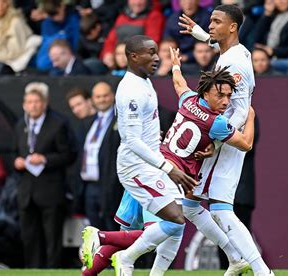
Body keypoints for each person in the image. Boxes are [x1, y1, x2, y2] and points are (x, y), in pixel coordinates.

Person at [80, 48, 256, 276]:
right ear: (206, 93)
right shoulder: (217, 122)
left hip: (151, 167)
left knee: (164, 230)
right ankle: (104, 239)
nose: (226, 102)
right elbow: (246, 143)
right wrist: (249, 116)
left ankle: (92, 270)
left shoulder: (188, 99)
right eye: (220, 96)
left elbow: (179, 83)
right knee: (171, 225)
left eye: (229, 97)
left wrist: (175, 65)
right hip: (167, 176)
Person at [179, 4, 274, 275]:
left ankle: (261, 271)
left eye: (216, 21)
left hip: (226, 142)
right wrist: (199, 33)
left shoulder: (237, 63)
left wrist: (216, 141)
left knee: (219, 209)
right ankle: (236, 257)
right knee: (191, 204)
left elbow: (242, 109)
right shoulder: (229, 52)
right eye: (210, 20)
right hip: (220, 138)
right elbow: (212, 39)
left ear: (232, 27)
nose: (210, 25)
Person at [110, 34, 197, 276]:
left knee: (177, 224)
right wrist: (170, 168)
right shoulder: (130, 91)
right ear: (133, 56)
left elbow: (142, 132)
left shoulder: (143, 81)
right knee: (175, 219)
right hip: (135, 167)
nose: (157, 57)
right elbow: (131, 140)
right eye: (150, 52)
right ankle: (125, 258)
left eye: (156, 51)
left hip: (151, 164)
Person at [13, 82, 76, 268]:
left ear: (45, 103)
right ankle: (33, 270)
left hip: (51, 190)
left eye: (36, 101)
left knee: (52, 237)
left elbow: (69, 155)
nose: (32, 105)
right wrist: (17, 162)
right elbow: (14, 152)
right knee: (30, 236)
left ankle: (52, 270)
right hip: (27, 192)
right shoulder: (20, 125)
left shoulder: (58, 124)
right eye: (29, 102)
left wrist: (45, 159)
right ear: (24, 104)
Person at [78, 81, 123, 231]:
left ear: (112, 96)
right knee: (94, 230)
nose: (102, 99)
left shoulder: (120, 120)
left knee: (112, 228)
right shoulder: (87, 123)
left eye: (105, 95)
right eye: (98, 96)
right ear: (92, 99)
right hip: (90, 185)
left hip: (110, 184)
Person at [0, 0, 41, 72]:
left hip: (10, 64)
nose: (0, 5)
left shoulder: (16, 22)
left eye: (4, 2)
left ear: (9, 4)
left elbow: (15, 52)